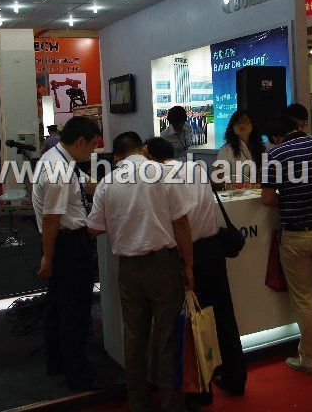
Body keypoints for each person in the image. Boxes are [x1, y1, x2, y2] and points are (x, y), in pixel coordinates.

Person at [87, 132, 194, 412]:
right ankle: (172, 404)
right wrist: (189, 264)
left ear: (116, 157)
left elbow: (93, 228)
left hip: (129, 268)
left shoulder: (107, 183)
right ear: (144, 149)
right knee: (167, 337)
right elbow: (181, 222)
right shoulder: (164, 173)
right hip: (164, 265)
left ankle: (139, 403)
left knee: (134, 339)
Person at [145, 137, 247, 399]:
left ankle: (200, 389)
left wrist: (185, 263)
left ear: (149, 156)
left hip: (185, 254)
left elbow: (179, 222)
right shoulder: (197, 169)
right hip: (212, 249)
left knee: (192, 321)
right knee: (223, 314)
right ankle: (236, 377)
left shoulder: (158, 178)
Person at [261, 115, 312, 374]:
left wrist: (291, 197)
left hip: (296, 236)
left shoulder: (276, 155)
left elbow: (267, 199)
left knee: (304, 299)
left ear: (276, 137)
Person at [33, 116, 101, 391]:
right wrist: (48, 258)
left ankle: (58, 362)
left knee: (58, 306)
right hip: (67, 245)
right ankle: (78, 375)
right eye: (93, 144)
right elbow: (51, 220)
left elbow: (87, 184)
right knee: (75, 310)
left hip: (65, 242)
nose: (94, 150)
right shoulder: (58, 170)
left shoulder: (58, 157)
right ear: (80, 141)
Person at [215, 109, 265, 186]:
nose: (241, 124)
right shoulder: (226, 150)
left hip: (256, 191)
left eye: (244, 121)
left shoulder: (258, 148)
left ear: (252, 124)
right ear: (232, 127)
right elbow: (219, 179)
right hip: (234, 192)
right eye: (237, 122)